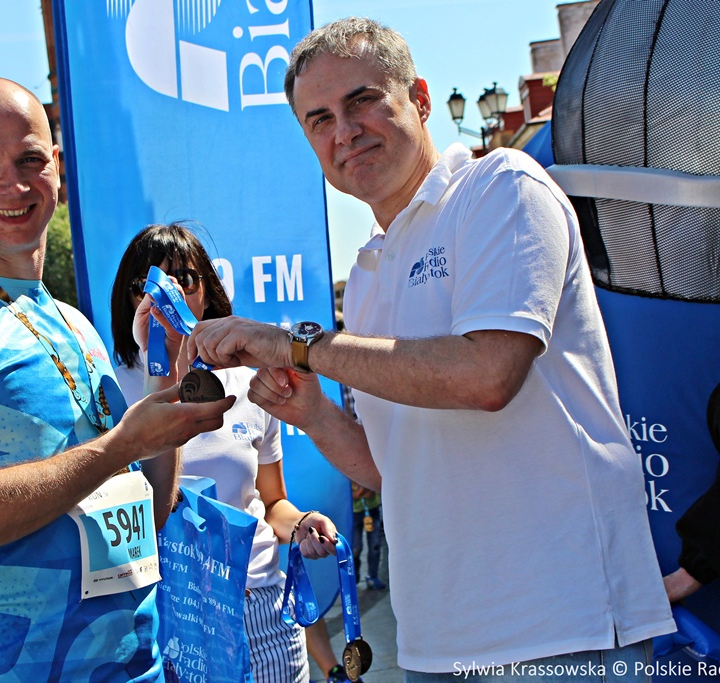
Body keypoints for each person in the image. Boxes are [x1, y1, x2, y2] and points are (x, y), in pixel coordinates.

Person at [187, 17, 676, 682]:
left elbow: (487, 375)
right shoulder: (366, 273)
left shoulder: (502, 187)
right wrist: (315, 415)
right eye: (319, 120)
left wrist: (298, 346)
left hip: (562, 626)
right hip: (433, 642)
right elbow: (395, 470)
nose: (343, 132)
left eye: (362, 100)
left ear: (418, 98)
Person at [0, 77, 233, 682]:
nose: (14, 184)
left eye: (30, 160)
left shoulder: (75, 323)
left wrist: (167, 407)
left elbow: (146, 513)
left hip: (136, 665)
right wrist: (121, 445)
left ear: (56, 166)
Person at [109, 223, 338, 682]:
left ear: (207, 293)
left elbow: (271, 504)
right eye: (148, 283)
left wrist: (301, 524)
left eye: (185, 280)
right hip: (173, 616)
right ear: (129, 300)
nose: (169, 295)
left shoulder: (249, 384)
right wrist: (160, 370)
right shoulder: (110, 389)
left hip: (264, 612)